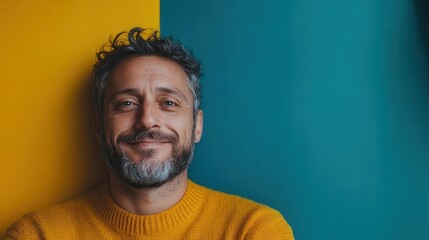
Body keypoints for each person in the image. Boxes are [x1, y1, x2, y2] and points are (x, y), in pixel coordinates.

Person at [5, 27, 294, 239]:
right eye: (126, 103)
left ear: (197, 126)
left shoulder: (253, 230)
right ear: (98, 126)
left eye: (168, 103)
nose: (147, 120)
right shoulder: (37, 234)